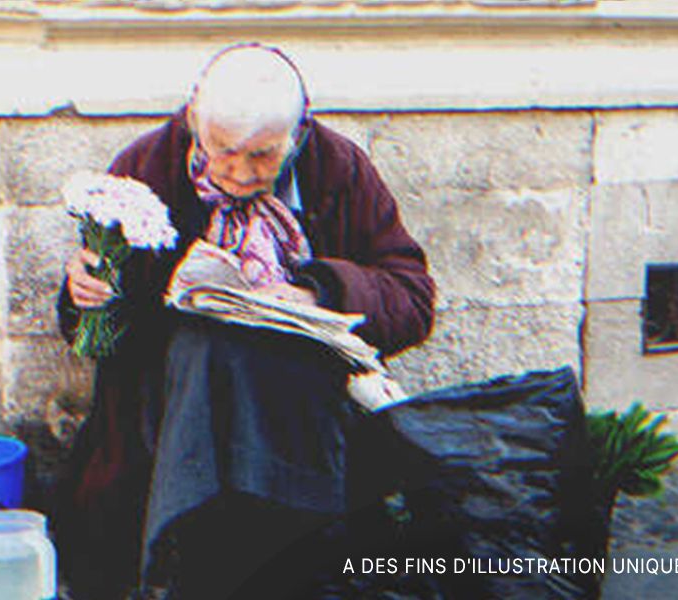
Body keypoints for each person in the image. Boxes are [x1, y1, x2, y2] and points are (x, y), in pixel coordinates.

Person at [54, 43, 437, 600]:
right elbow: (101, 339)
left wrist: (318, 290)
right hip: (167, 416)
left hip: (303, 413)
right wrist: (85, 294)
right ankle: (190, 564)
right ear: (194, 123)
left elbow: (413, 298)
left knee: (255, 361)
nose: (237, 173)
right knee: (206, 346)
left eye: (262, 156)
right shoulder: (147, 168)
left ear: (298, 133)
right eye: (222, 152)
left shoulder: (338, 170)